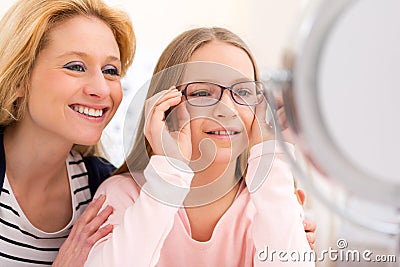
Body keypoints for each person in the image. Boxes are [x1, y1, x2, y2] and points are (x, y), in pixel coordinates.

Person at [85, 27, 315, 266]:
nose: (227, 109)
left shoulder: (269, 197)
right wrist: (168, 179)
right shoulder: (123, 195)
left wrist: (271, 162)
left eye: (244, 91)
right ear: (167, 108)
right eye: (203, 92)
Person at [0, 0, 135, 266]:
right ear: (19, 81)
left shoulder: (105, 191)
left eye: (110, 71)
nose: (102, 89)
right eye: (75, 66)